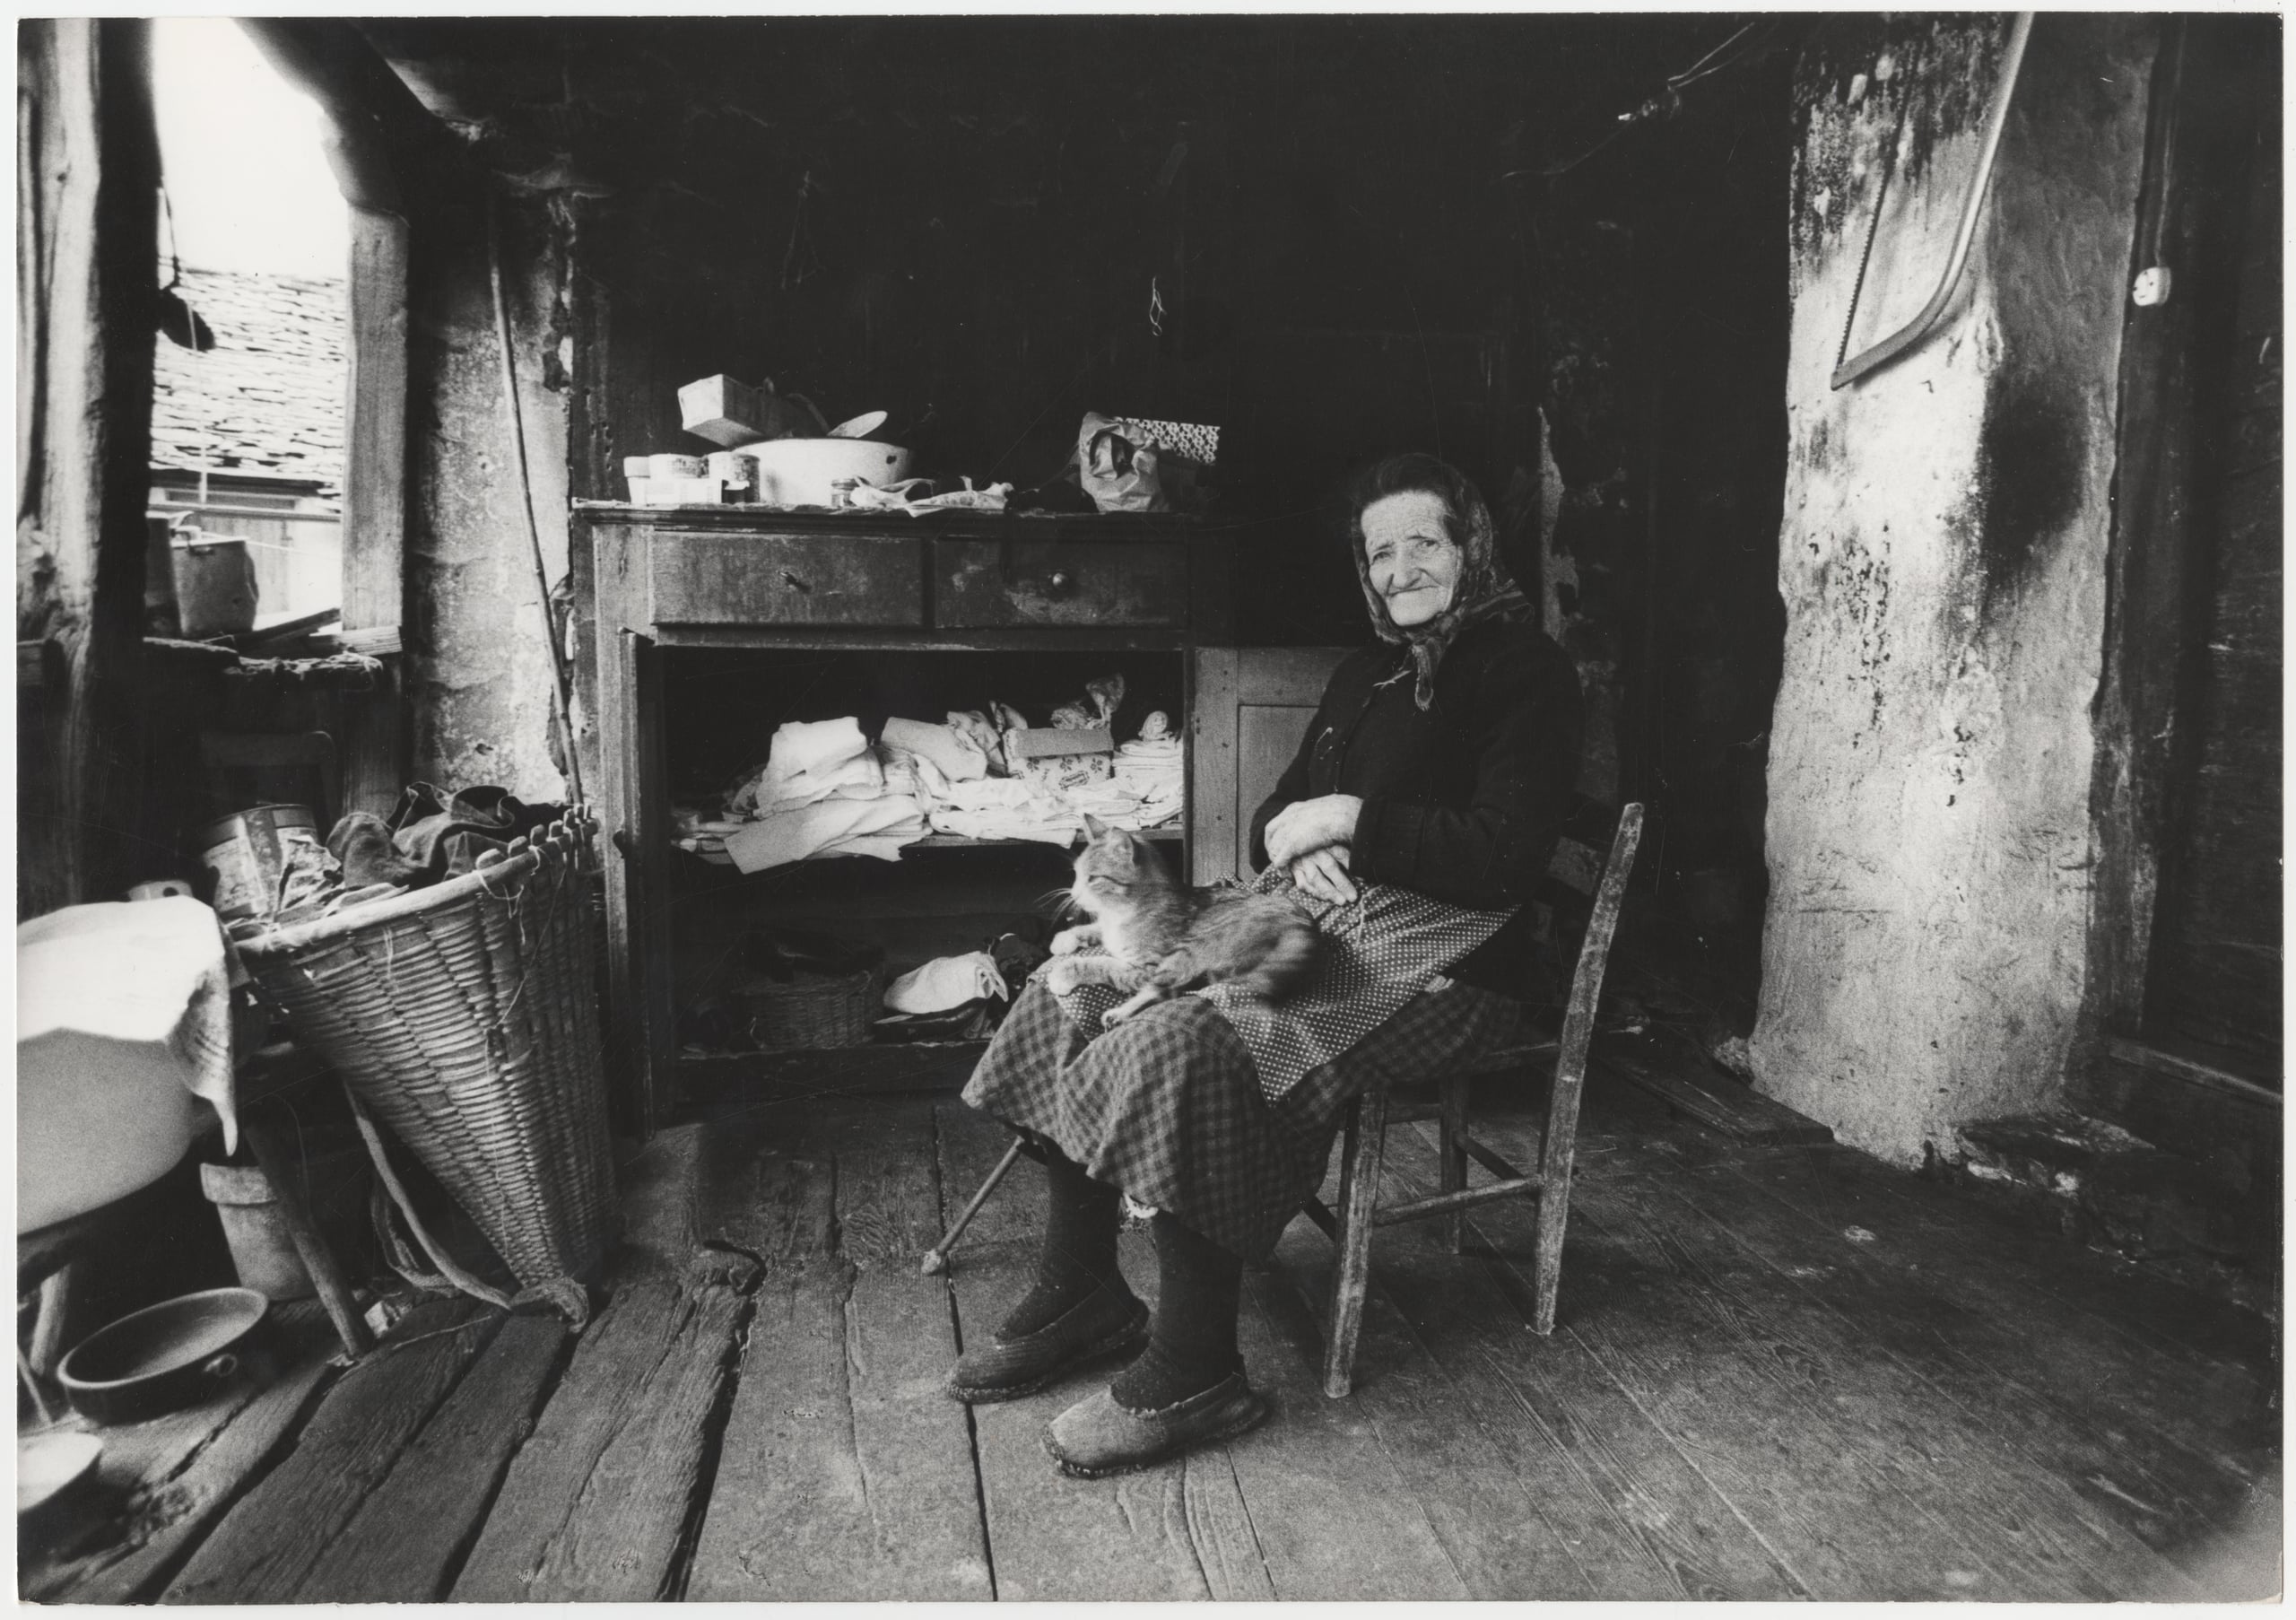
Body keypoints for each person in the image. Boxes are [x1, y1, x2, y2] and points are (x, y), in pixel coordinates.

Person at [952, 451, 1584, 1478]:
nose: (1400, 568)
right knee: (1069, 993)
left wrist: (1352, 821)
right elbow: (1268, 825)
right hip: (1325, 926)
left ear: (1471, 550)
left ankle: (1196, 1368)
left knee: (1190, 1041)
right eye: (1381, 553)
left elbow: (1505, 853)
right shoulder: (1362, 674)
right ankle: (1084, 1287)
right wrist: (1299, 824)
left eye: (1424, 541)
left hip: (1447, 961)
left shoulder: (1523, 673)